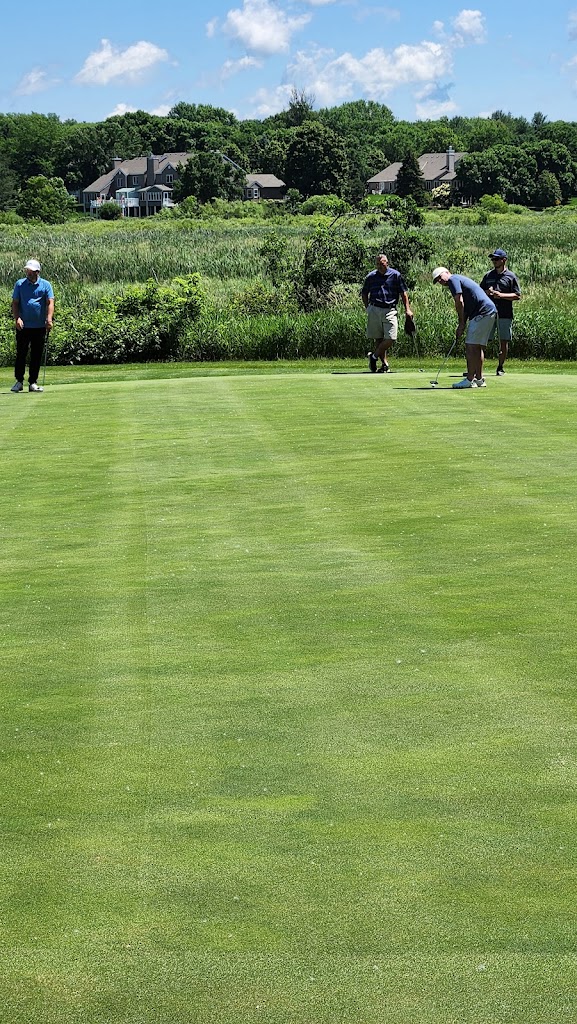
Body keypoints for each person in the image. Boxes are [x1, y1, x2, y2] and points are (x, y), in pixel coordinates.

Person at [432, 267, 497, 389]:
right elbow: (466, 306)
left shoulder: (453, 279)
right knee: (477, 347)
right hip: (488, 311)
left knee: (471, 346)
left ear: (447, 272)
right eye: (437, 281)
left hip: (482, 312)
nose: (440, 281)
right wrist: (461, 324)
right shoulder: (459, 279)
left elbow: (459, 301)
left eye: (440, 277)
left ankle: (469, 379)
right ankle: (479, 379)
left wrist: (461, 323)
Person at [362, 253, 413, 373]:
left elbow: (403, 293)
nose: (379, 266)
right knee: (378, 338)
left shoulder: (395, 275)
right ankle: (384, 364)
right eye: (377, 264)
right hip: (374, 309)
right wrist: (367, 308)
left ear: (387, 263)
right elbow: (364, 293)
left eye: (382, 264)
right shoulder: (371, 276)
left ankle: (373, 356)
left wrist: (407, 309)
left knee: (390, 338)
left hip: (390, 309)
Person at [11, 258, 54, 393]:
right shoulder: (20, 284)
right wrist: (17, 318)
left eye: (31, 271)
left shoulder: (46, 285)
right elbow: (15, 303)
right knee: (21, 354)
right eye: (27, 270)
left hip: (39, 326)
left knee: (36, 355)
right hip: (23, 326)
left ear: (37, 272)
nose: (28, 273)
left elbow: (50, 302)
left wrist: (49, 319)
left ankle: (33, 382)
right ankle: (19, 381)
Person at [480, 248, 521, 376]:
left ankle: (500, 367)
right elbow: (479, 292)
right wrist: (487, 292)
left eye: (496, 259)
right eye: (493, 259)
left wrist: (501, 295)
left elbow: (517, 295)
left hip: (504, 313)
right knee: (483, 340)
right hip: (489, 313)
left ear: (504, 260)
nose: (494, 261)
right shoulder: (488, 276)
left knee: (503, 340)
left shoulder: (511, 276)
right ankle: (477, 367)